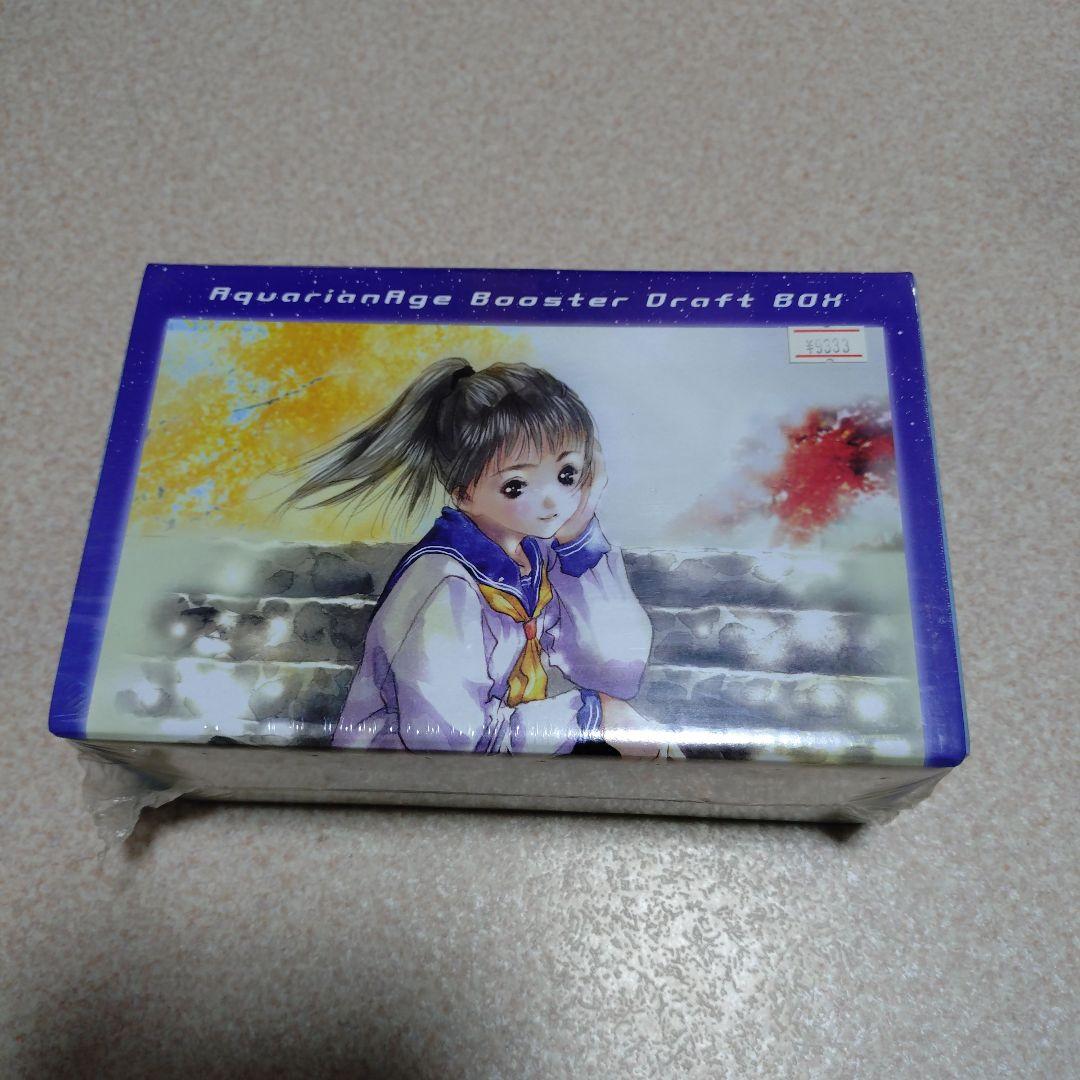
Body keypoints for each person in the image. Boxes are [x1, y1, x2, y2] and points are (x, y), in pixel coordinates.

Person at [284, 357, 657, 756]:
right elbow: (447, 741)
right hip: (400, 776)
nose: (553, 501)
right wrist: (586, 718)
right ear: (464, 493)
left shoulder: (538, 555)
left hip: (495, 764)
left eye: (567, 474)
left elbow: (618, 674)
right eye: (516, 486)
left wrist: (580, 536)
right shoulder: (445, 580)